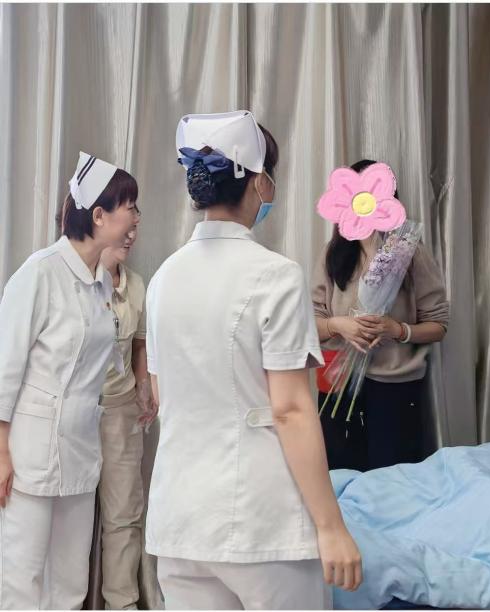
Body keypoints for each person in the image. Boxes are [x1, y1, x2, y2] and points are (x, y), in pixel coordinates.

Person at [144, 111, 362, 610]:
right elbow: (292, 410)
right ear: (260, 182)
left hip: (180, 522)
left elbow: (162, 396)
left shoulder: (162, 279)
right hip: (262, 523)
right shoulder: (276, 276)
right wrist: (331, 527)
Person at [0, 153, 140, 609]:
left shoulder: (101, 284)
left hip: (81, 450)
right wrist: (1, 452)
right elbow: (5, 367)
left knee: (70, 580)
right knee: (21, 576)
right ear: (99, 216)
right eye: (130, 208)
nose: (136, 218)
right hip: (30, 453)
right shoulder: (39, 273)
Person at [312, 159, 449, 472]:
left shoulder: (409, 252)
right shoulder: (332, 254)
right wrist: (338, 326)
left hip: (395, 387)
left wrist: (397, 330)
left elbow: (439, 325)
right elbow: (308, 325)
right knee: (341, 476)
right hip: (338, 385)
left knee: (393, 478)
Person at [97, 223, 157, 610]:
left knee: (124, 516)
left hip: (120, 410)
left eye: (138, 223)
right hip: (74, 411)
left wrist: (144, 387)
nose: (132, 233)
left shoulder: (136, 285)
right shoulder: (71, 280)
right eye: (126, 221)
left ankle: (122, 603)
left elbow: (139, 346)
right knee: (65, 516)